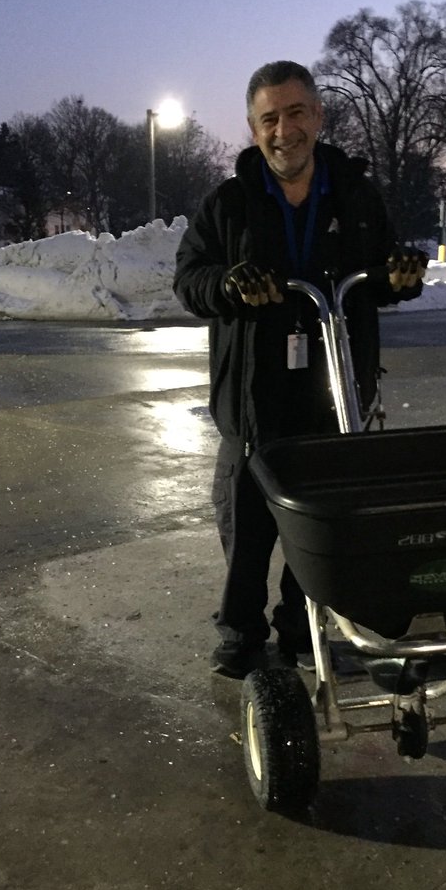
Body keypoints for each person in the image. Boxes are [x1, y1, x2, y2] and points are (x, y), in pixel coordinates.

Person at [173, 60, 427, 678]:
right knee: (248, 523)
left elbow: (381, 277)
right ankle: (239, 630)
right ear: (253, 127)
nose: (283, 131)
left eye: (295, 114)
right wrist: (229, 282)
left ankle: (300, 627)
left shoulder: (355, 195)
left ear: (317, 116)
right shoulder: (229, 203)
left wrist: (400, 275)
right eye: (269, 119)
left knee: (322, 524)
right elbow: (189, 280)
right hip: (255, 395)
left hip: (333, 387)